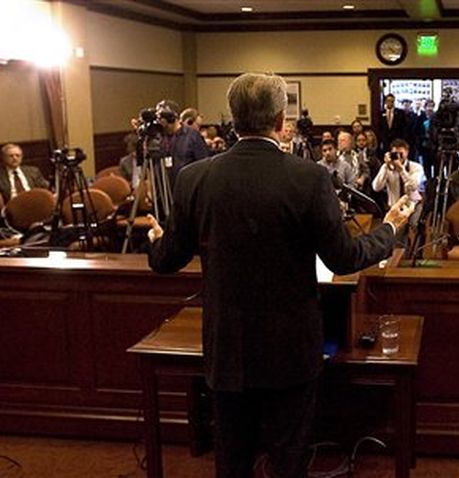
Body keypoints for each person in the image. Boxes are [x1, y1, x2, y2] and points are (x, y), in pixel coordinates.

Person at [147, 73, 412, 478]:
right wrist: (390, 229)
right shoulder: (307, 177)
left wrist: (156, 237)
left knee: (231, 460)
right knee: (289, 460)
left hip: (227, 348)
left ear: (234, 120)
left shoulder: (194, 178)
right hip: (290, 349)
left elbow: (165, 261)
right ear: (279, 121)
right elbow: (343, 258)